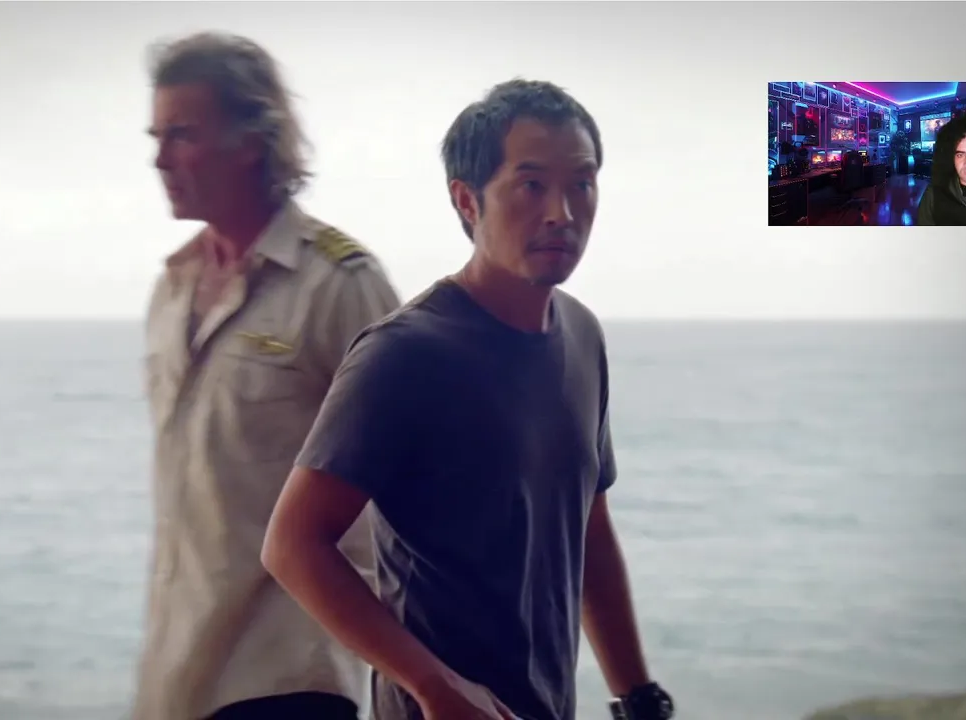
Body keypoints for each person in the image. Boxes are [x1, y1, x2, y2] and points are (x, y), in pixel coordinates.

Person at [261, 79, 675, 720]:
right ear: (466, 199)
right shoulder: (404, 355)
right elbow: (292, 545)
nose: (562, 213)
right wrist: (434, 686)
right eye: (531, 185)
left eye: (582, 184)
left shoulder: (581, 336)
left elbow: (587, 529)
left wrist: (639, 699)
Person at [133, 31, 401, 720]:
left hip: (291, 676)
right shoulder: (173, 289)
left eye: (183, 135)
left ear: (251, 140)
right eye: (157, 137)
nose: (160, 158)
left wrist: (422, 677)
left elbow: (416, 480)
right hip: (183, 673)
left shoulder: (338, 284)